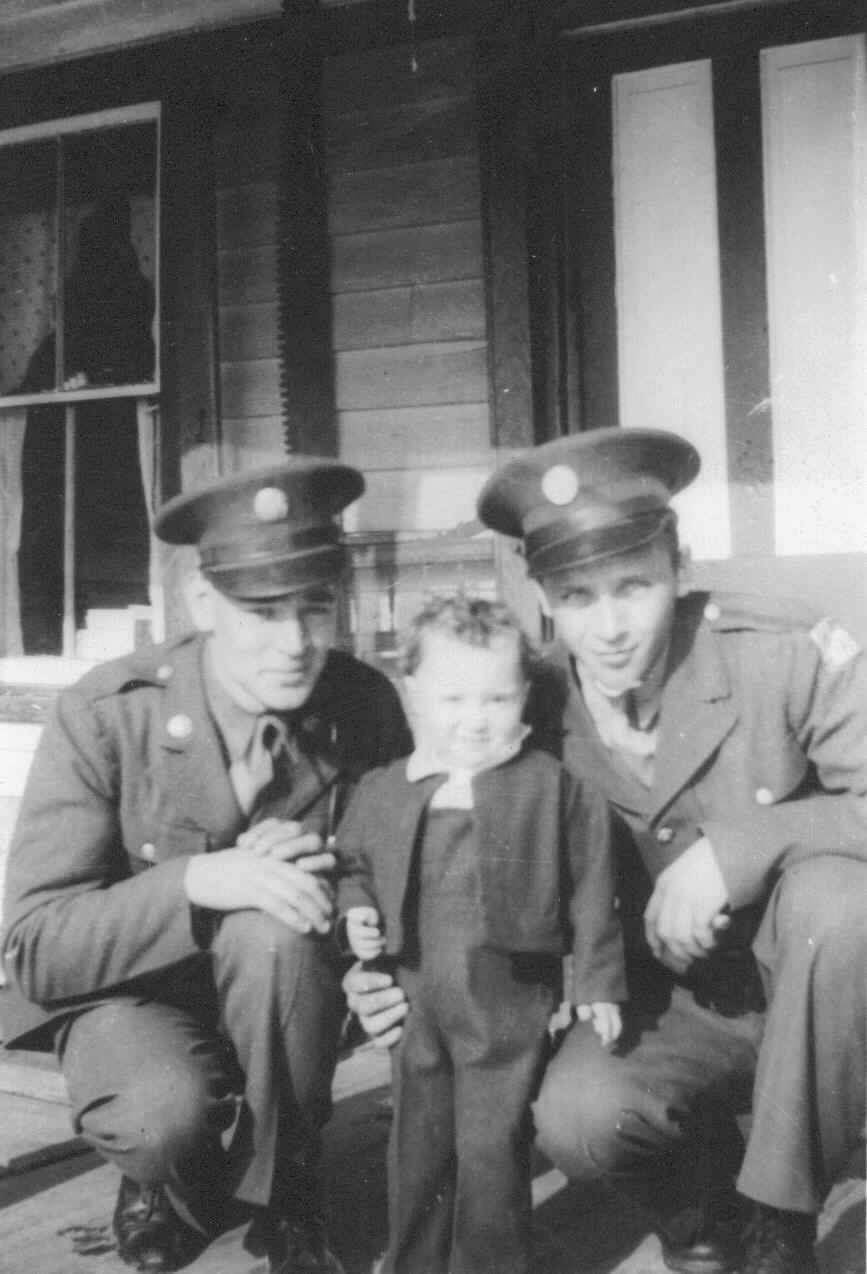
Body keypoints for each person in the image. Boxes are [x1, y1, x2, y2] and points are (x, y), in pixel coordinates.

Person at [345, 427, 867, 1274]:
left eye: (634, 586)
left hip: (817, 989)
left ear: (679, 567)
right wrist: (381, 969)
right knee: (580, 1118)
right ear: (542, 596)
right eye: (578, 595)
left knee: (842, 903)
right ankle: (702, 1209)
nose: (612, 626)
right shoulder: (521, 711)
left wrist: (737, 849)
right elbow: (419, 839)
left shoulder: (774, 652)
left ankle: (781, 1222)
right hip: (669, 1002)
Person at [1, 458, 412, 1274]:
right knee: (159, 1119)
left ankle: (287, 1188)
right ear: (200, 601)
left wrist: (354, 915)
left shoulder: (361, 705)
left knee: (270, 930)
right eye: (261, 611)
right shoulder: (109, 712)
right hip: (133, 998)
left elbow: (401, 871)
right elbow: (34, 946)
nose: (294, 643)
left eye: (315, 606)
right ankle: (171, 1186)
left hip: (288, 996)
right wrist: (198, 880)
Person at [335, 595, 625, 1274]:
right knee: (418, 1139)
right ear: (412, 695)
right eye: (453, 698)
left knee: (492, 1143)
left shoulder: (550, 786)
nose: (475, 719)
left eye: (496, 698)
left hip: (506, 998)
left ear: (523, 695)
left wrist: (598, 983)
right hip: (414, 994)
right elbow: (351, 866)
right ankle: (414, 1260)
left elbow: (593, 882)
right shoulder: (384, 788)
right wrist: (356, 913)